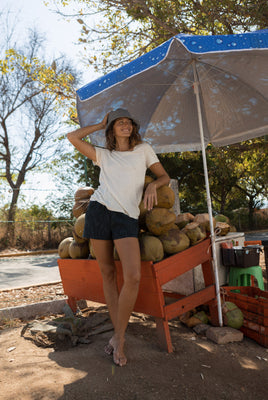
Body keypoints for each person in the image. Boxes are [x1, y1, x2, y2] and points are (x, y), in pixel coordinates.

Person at [67, 108, 170, 366]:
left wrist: (152, 185)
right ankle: (120, 339)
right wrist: (98, 124)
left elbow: (164, 176)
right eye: (119, 123)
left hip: (127, 217)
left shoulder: (144, 150)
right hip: (99, 211)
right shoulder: (104, 154)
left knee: (133, 275)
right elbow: (72, 137)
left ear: (133, 127)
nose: (125, 125)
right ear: (112, 129)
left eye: (128, 122)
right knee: (109, 274)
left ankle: (118, 337)